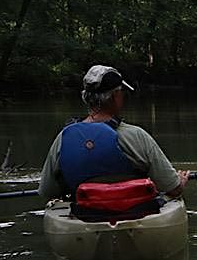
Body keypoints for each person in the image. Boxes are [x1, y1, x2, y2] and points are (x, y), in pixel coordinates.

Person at [38, 65, 188, 203]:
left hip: (84, 215)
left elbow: (48, 191)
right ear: (116, 96)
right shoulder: (137, 136)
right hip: (134, 213)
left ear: (85, 97)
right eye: (121, 92)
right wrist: (180, 182)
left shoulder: (63, 139)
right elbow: (172, 188)